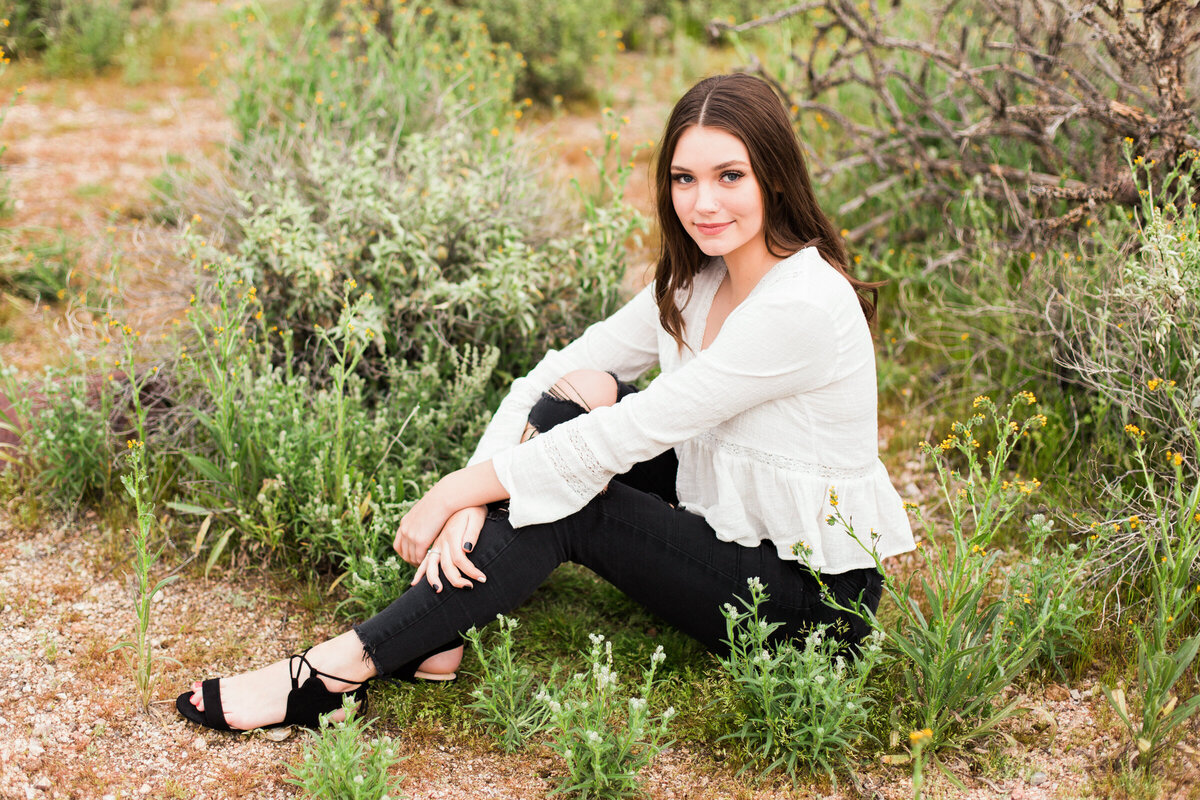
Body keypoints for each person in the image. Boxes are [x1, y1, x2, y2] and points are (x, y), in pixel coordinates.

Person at [177, 73, 916, 733]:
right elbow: (563, 370)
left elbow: (630, 434)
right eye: (684, 179)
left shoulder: (803, 305)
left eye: (730, 175)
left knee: (577, 491)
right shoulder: (702, 279)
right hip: (729, 521)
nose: (704, 202)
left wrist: (461, 487)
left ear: (776, 180)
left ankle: (337, 670)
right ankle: (435, 638)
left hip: (811, 604)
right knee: (575, 398)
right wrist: (474, 491)